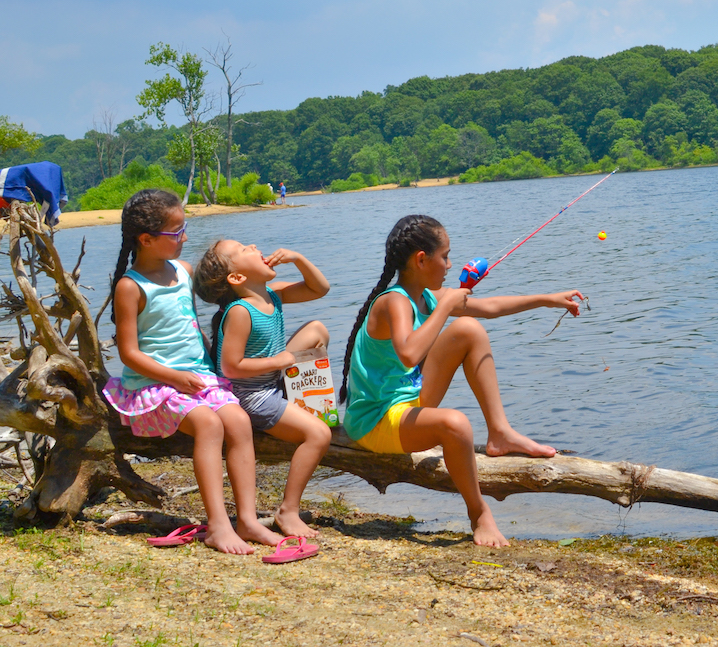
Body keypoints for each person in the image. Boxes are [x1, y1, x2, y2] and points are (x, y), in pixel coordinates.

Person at [340, 214, 582, 547]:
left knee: (469, 330)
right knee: (457, 425)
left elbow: (491, 307)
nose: (450, 265)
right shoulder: (395, 300)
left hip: (407, 401)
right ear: (421, 259)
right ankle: (479, 513)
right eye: (445, 256)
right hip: (376, 420)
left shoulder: (427, 296)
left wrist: (547, 299)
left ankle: (500, 432)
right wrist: (446, 306)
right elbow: (409, 353)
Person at [105, 189, 281, 554]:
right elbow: (129, 353)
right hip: (155, 385)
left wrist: (268, 294)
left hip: (198, 378)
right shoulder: (130, 286)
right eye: (177, 231)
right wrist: (173, 377)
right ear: (147, 239)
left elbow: (228, 287)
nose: (185, 237)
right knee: (209, 424)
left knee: (238, 421)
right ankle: (218, 524)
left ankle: (246, 520)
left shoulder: (183, 272)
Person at [193, 239, 332, 540]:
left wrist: (297, 256)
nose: (254, 245)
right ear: (237, 279)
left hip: (271, 380)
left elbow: (320, 289)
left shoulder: (271, 294)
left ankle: (309, 404)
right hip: (249, 395)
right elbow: (230, 368)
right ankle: (288, 511)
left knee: (317, 330)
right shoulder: (240, 312)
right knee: (319, 435)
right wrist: (278, 361)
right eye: (244, 249)